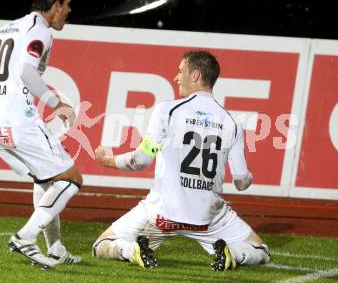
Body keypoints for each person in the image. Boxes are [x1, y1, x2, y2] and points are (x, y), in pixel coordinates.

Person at [93, 50, 271, 271]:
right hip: (209, 218)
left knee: (102, 245)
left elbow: (140, 160)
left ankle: (132, 250)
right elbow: (241, 182)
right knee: (261, 251)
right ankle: (233, 254)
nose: (176, 77)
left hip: (162, 214)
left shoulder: (167, 111)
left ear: (195, 75)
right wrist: (249, 176)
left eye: (180, 71)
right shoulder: (232, 122)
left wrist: (109, 160)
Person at [0, 0, 82, 269]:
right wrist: (57, 104)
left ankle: (55, 249)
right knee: (71, 177)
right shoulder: (40, 31)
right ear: (55, 6)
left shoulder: (4, 30)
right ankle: (25, 237)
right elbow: (26, 71)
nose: (69, 11)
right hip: (18, 121)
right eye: (67, 4)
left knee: (45, 179)